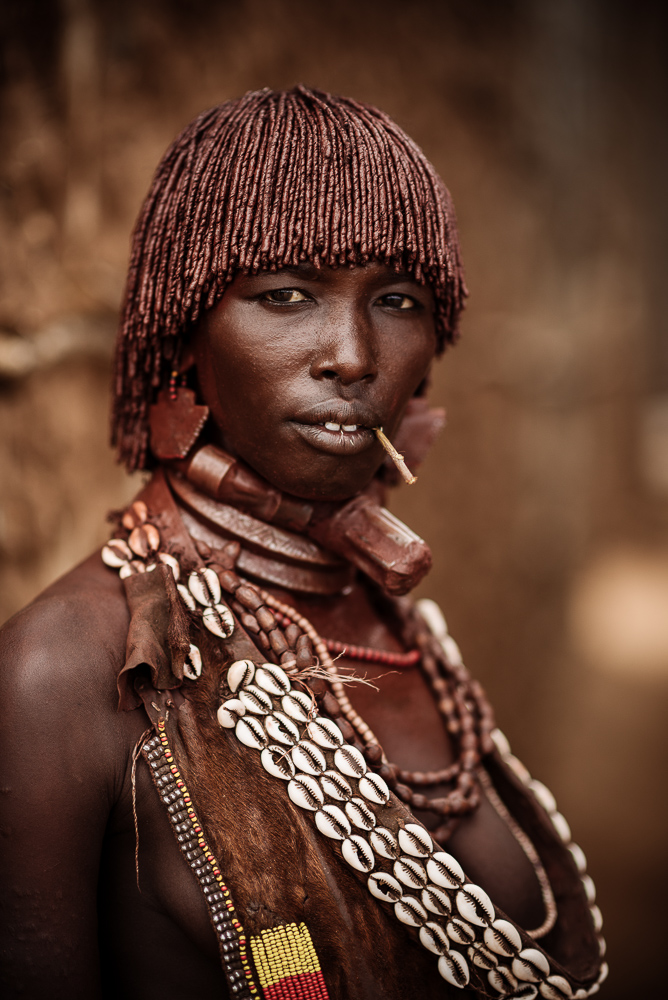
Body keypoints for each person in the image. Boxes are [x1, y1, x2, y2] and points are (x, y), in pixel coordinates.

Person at [0, 87, 606, 999]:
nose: (353, 355)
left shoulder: (391, 622)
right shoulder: (62, 677)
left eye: (396, 299)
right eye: (285, 295)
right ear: (184, 333)